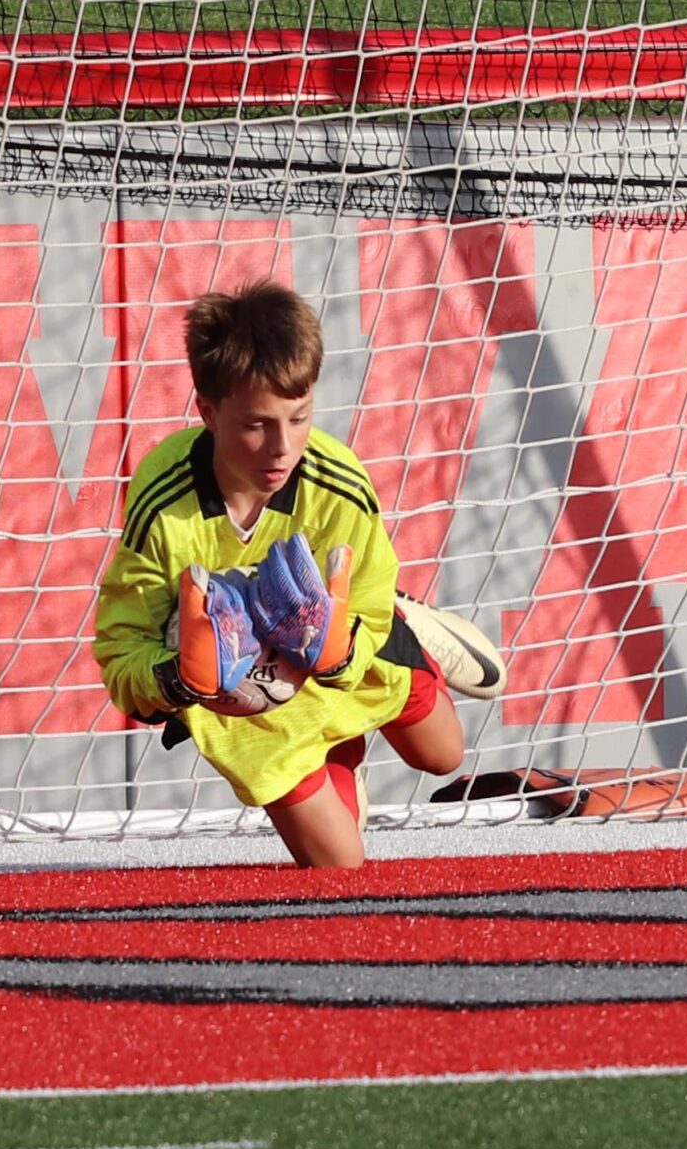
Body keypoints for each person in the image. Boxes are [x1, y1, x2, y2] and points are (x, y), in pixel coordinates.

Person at [93, 279, 466, 868]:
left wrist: (341, 652)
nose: (282, 447)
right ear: (208, 413)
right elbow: (122, 648)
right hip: (250, 711)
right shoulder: (164, 504)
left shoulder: (338, 485)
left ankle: (407, 620)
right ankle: (335, 753)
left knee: (443, 756)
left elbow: (363, 606)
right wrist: (179, 679)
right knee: (341, 870)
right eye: (256, 425)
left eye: (299, 419)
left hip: (350, 642)